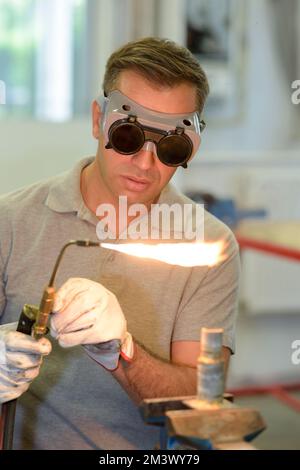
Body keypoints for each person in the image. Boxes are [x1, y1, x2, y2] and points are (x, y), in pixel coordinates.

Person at [0, 37, 240, 450]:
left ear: (192, 147)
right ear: (99, 120)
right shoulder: (12, 221)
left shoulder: (209, 244)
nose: (146, 164)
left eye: (170, 147)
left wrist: (122, 352)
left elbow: (201, 407)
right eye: (128, 137)